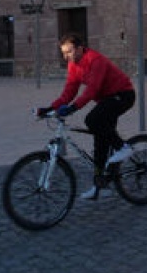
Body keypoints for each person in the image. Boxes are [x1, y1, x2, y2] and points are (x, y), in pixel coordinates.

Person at [37, 32, 136, 200]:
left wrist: (73, 108)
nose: (65, 56)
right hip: (106, 100)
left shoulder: (95, 60)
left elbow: (92, 90)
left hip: (123, 95)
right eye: (63, 53)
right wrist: (49, 108)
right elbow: (69, 92)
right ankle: (100, 187)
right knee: (100, 141)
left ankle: (123, 148)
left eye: (68, 51)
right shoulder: (73, 65)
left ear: (80, 48)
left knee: (92, 120)